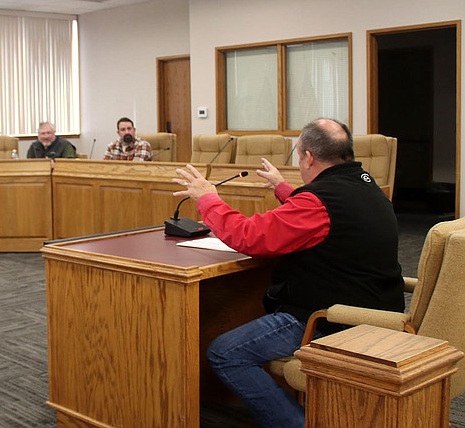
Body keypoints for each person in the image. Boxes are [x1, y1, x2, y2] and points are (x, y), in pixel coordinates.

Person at [172, 118, 404, 428]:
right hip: (380, 309)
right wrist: (284, 189)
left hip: (330, 318)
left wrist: (208, 198)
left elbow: (248, 236)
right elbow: (324, 216)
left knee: (225, 353)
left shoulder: (318, 202)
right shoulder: (366, 185)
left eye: (299, 156)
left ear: (308, 157)